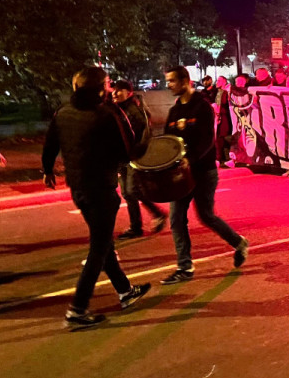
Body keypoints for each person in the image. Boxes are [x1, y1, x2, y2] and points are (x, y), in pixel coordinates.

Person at [42, 67, 151, 328]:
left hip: (78, 188)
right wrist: (145, 142)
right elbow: (127, 152)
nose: (110, 88)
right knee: (99, 249)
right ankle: (78, 308)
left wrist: (47, 171)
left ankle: (125, 291)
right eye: (107, 83)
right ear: (100, 88)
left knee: (103, 243)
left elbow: (50, 146)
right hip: (102, 189)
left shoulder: (62, 112)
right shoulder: (107, 115)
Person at [160, 66, 248, 285]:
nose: (168, 85)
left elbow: (208, 139)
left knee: (206, 215)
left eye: (172, 81)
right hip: (180, 175)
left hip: (203, 172)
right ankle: (184, 267)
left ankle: (238, 242)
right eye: (168, 81)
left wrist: (192, 158)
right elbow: (168, 140)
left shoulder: (203, 107)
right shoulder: (174, 111)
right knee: (176, 218)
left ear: (185, 81)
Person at [111, 80, 167, 239]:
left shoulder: (134, 109)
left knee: (131, 191)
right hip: (122, 157)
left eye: (119, 90)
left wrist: (137, 154)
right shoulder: (118, 109)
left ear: (128, 92)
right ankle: (152, 217)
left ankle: (138, 225)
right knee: (129, 193)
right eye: (113, 90)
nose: (115, 93)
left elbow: (143, 134)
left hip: (133, 157)